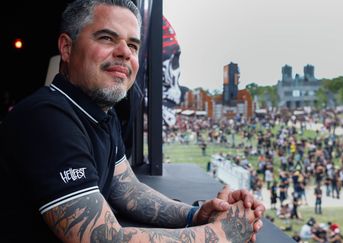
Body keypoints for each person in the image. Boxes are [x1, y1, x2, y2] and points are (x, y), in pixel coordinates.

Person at [0, 0, 265, 242]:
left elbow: (128, 190)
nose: (125, 52)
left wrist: (197, 215)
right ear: (67, 48)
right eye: (107, 38)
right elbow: (103, 239)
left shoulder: (101, 113)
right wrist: (220, 234)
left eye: (134, 45)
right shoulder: (45, 118)